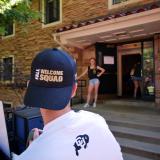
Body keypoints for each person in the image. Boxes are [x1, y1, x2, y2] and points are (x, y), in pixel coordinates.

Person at [16, 48, 123, 160]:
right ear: (74, 89)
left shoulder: (29, 156)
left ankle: (94, 102)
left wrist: (35, 148)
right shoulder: (97, 122)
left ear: (30, 87)